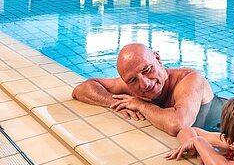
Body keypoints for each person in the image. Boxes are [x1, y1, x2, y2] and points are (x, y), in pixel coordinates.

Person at [71, 43, 215, 136]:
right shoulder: (132, 82)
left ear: (157, 59)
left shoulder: (190, 79)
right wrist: (114, 102)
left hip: (222, 126)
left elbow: (177, 124)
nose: (145, 83)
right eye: (132, 80)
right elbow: (81, 89)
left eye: (147, 70)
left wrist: (141, 105)